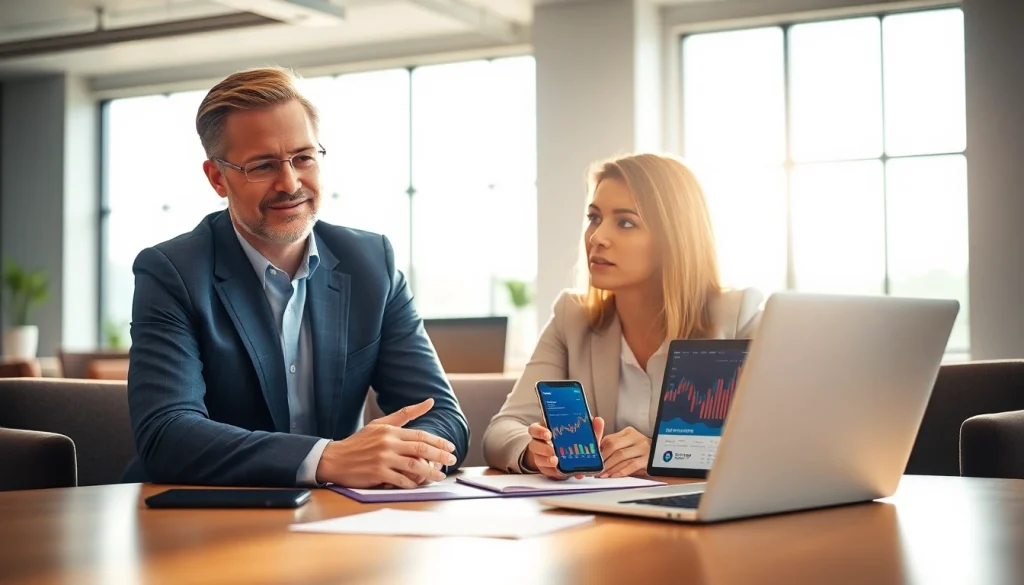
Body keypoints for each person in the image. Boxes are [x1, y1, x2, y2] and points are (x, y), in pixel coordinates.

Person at [123, 67, 469, 488]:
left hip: (338, 516)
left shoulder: (370, 263)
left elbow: (442, 416)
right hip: (205, 519)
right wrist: (328, 459)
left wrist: (398, 457)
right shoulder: (172, 272)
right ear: (218, 178)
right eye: (263, 165)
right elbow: (167, 434)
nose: (290, 183)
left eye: (303, 157)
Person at [482, 153, 762, 479]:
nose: (597, 237)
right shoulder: (572, 319)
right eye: (594, 218)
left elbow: (772, 444)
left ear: (674, 239)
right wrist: (536, 452)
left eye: (626, 222)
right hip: (606, 519)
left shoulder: (738, 319)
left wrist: (661, 453)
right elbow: (501, 431)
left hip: (699, 514)